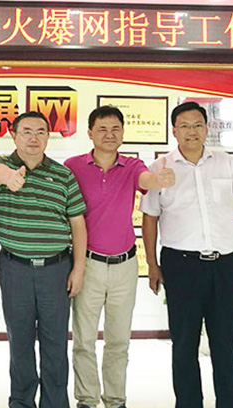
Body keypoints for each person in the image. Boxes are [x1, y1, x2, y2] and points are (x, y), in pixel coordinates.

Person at [140, 101, 233, 408]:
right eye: (185, 126)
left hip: (226, 266)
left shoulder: (226, 163)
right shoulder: (160, 167)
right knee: (184, 344)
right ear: (174, 131)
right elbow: (150, 217)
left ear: (207, 128)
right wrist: (152, 263)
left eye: (197, 125)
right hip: (182, 266)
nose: (191, 132)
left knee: (225, 343)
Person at [64, 106, 175, 408]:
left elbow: (146, 180)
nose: (109, 135)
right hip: (87, 264)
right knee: (84, 340)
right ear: (90, 133)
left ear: (123, 133)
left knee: (118, 340)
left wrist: (160, 178)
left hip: (125, 265)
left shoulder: (132, 165)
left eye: (115, 129)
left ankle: (115, 400)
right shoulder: (73, 166)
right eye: (102, 129)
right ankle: (87, 399)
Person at [0, 111, 87, 408]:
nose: (34, 138)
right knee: (20, 342)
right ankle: (21, 402)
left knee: (55, 343)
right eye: (27, 131)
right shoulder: (3, 166)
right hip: (15, 269)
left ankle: (55, 403)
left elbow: (77, 223)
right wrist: (9, 177)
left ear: (47, 136)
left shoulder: (63, 175)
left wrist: (78, 269)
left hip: (56, 270)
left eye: (40, 132)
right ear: (14, 136)